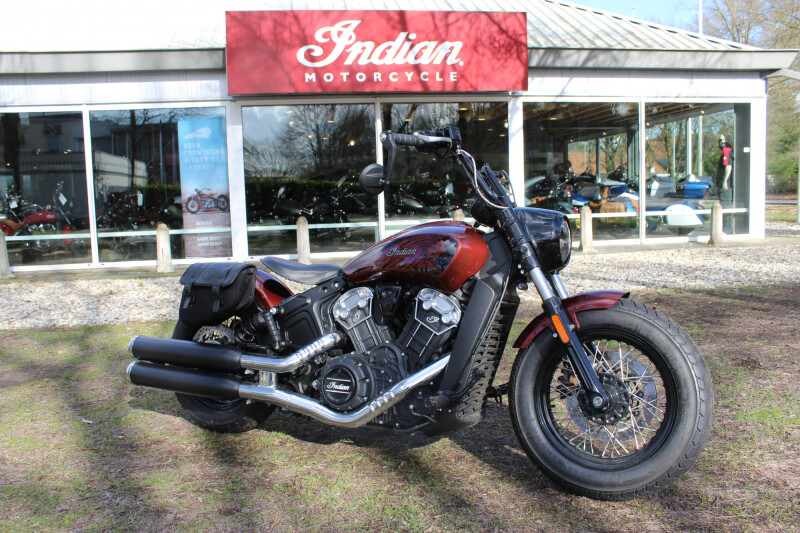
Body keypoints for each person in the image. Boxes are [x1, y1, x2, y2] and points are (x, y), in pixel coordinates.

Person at [716, 134, 734, 205]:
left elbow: (728, 166)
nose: (719, 142)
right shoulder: (726, 151)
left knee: (725, 204)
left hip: (726, 185)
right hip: (724, 183)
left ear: (726, 141)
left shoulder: (726, 151)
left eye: (721, 140)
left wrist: (725, 181)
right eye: (719, 140)